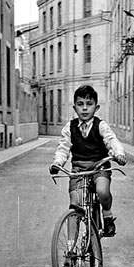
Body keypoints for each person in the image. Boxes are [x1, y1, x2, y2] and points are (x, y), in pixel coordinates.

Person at [49, 84, 126, 237]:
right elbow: (63, 148)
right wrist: (58, 163)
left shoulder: (101, 126)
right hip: (79, 169)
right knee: (75, 204)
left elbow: (111, 140)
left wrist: (118, 153)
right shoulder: (69, 127)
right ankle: (71, 248)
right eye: (80, 104)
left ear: (96, 108)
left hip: (99, 166)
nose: (84, 108)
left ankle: (107, 215)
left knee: (102, 191)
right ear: (74, 107)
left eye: (89, 104)